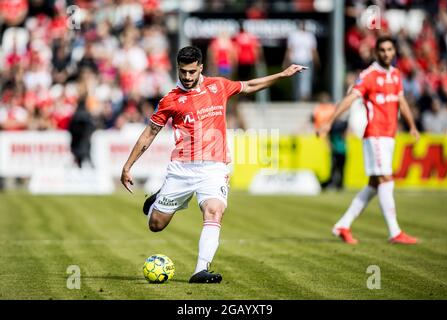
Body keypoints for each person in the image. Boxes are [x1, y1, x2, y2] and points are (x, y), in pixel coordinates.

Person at [121, 46, 307, 283]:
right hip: (182, 169)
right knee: (156, 225)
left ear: (200, 67)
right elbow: (149, 133)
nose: (187, 77)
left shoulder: (218, 85)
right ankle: (157, 200)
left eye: (191, 71)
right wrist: (128, 166)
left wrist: (281, 75)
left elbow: (249, 85)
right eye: (182, 72)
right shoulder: (170, 100)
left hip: (214, 167)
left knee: (214, 210)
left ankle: (200, 270)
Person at [318, 36, 420, 245]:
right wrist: (329, 121)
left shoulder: (396, 75)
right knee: (385, 179)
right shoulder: (368, 75)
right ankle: (395, 232)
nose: (386, 53)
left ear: (394, 52)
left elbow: (401, 102)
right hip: (375, 135)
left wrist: (412, 126)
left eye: (390, 49)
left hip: (389, 136)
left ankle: (343, 225)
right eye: (382, 50)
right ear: (376, 53)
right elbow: (350, 98)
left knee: (374, 185)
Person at [284, 21, 320, 101]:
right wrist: (286, 61)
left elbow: (313, 50)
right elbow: (290, 49)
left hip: (305, 60)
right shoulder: (295, 35)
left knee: (304, 79)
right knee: (299, 80)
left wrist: (316, 61)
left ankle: (303, 97)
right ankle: (299, 97)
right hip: (297, 60)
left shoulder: (308, 35)